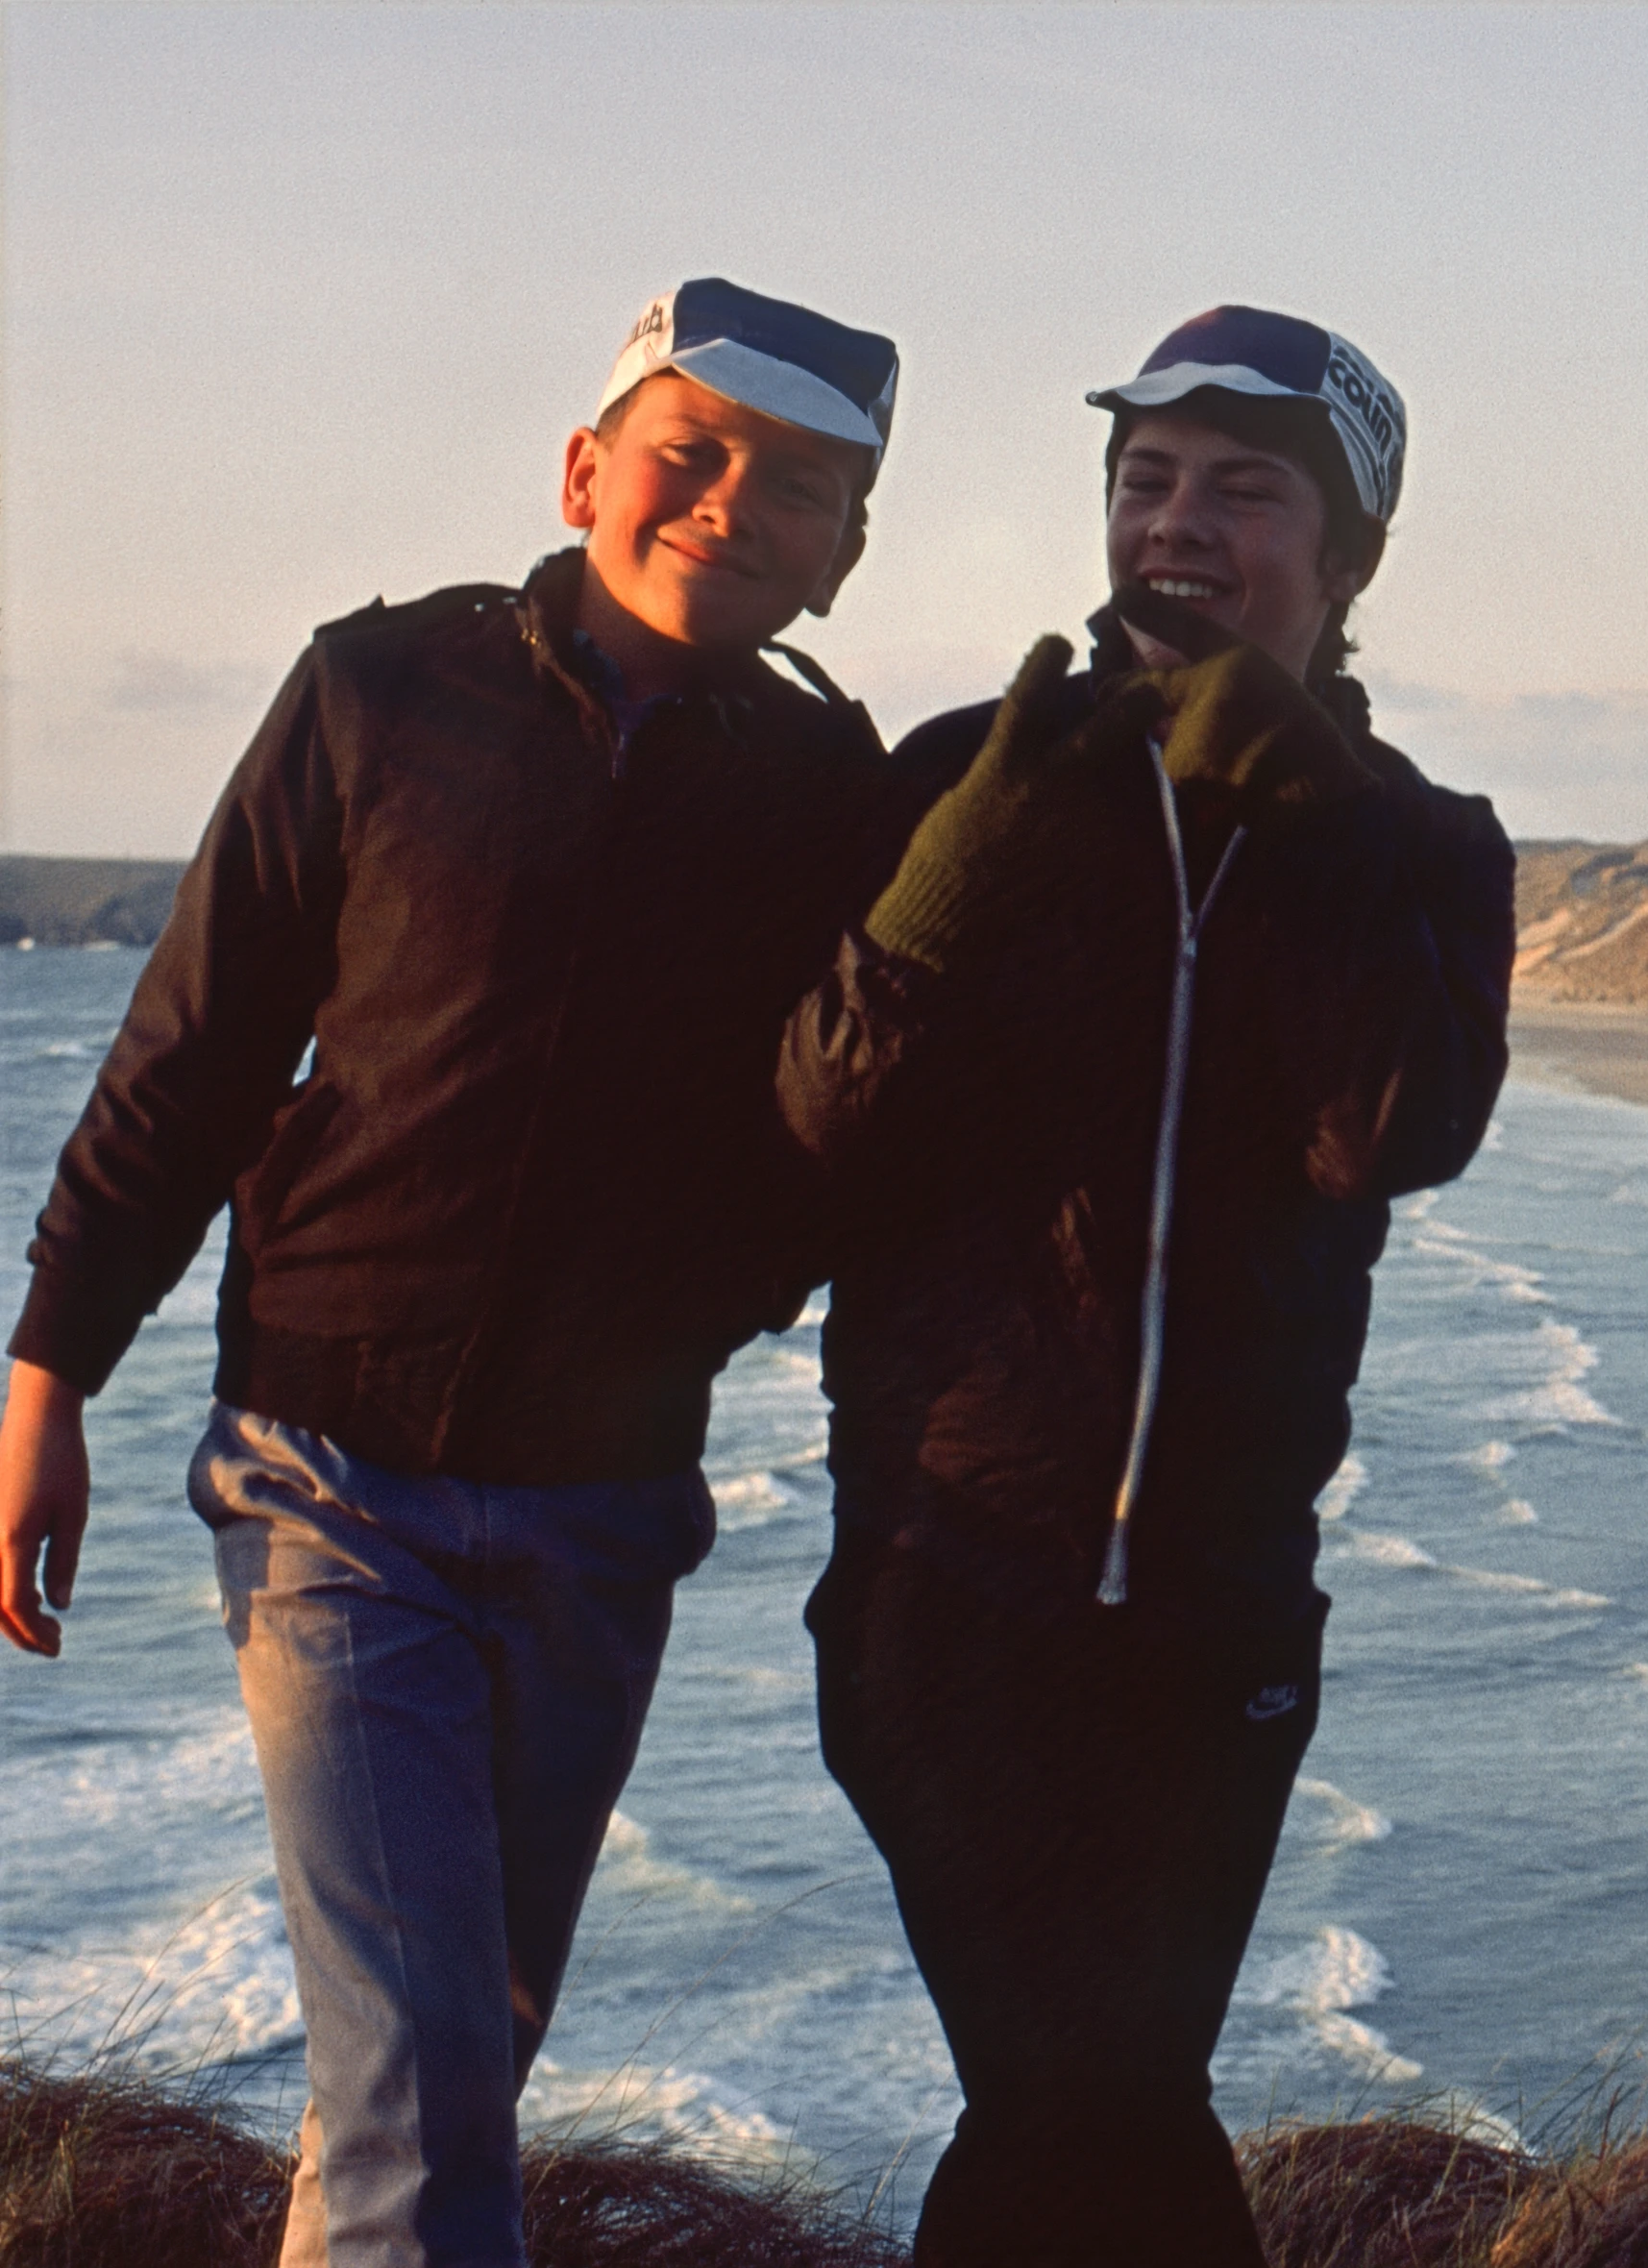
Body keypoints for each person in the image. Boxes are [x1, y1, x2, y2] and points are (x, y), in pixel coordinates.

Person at [0, 279, 910, 2266]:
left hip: (605, 1514)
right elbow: (196, 1048)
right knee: (422, 2081)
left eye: (805, 488)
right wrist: (48, 1374)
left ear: (848, 553)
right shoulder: (381, 693)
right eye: (695, 452)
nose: (733, 504)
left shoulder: (829, 800)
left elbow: (849, 1136)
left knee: (445, 2060)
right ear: (589, 466)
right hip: (329, 1480)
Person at [779, 306, 1514, 2265]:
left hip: (1219, 1613)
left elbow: (1388, 1128)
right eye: (1143, 480)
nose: (1175, 523)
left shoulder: (1423, 842)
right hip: (946, 1580)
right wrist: (963, 864)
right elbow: (813, 1136)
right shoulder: (964, 767)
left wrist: (1305, 818)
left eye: (1238, 490)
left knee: (1093, 2106)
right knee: (1078, 2090)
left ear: (1343, 553)